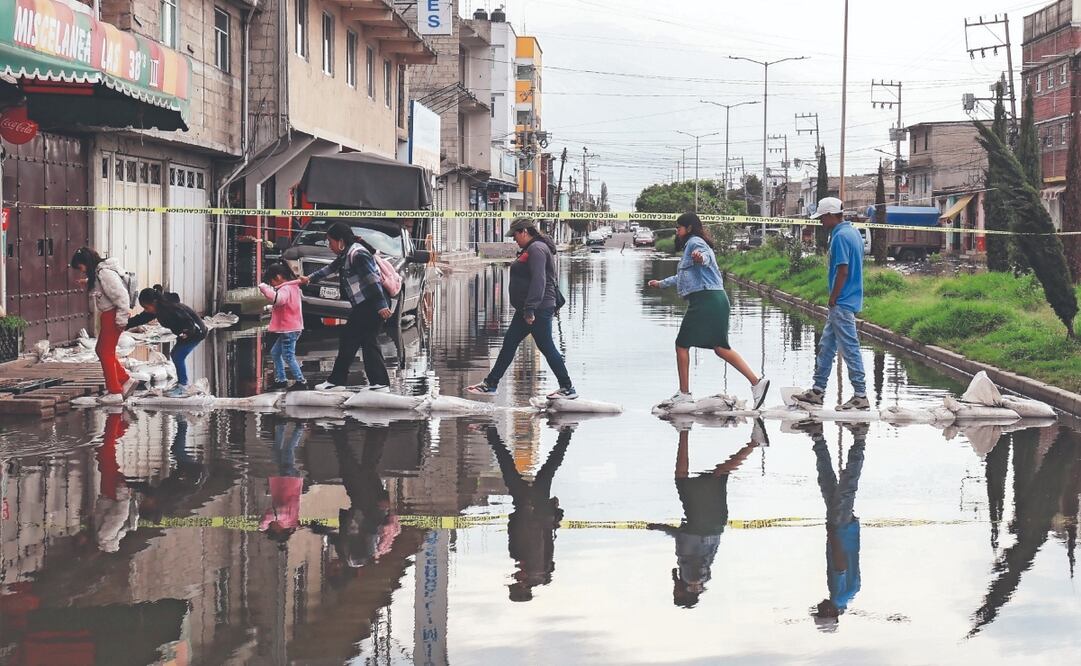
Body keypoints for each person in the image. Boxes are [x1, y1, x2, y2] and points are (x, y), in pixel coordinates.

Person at [648, 213, 770, 410]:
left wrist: (700, 257)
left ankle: (684, 394)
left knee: (682, 344)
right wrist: (661, 284)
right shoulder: (694, 244)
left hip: (705, 300)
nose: (676, 232)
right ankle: (757, 383)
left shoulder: (695, 243)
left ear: (688, 228)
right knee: (720, 347)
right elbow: (684, 276)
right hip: (713, 300)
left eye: (678, 228)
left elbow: (704, 257)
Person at [649, 421, 765, 607]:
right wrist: (658, 527)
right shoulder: (690, 576)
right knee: (682, 479)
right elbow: (683, 537)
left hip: (716, 524)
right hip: (700, 523)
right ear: (682, 594)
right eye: (675, 594)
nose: (674, 590)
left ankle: (754, 444)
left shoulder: (702, 577)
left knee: (719, 475)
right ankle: (684, 434)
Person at [467, 218, 577, 400]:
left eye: (516, 235)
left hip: (537, 308)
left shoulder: (537, 249)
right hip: (528, 308)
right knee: (509, 344)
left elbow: (539, 280)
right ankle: (491, 384)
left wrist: (530, 310)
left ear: (524, 231)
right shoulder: (531, 248)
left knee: (547, 347)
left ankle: (567, 388)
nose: (514, 239)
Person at [483, 422, 573, 602]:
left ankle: (566, 434)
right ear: (522, 584)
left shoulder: (538, 569)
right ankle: (491, 433)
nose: (514, 576)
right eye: (515, 581)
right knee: (510, 468)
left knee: (548, 468)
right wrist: (528, 510)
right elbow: (534, 536)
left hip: (535, 509)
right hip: (531, 507)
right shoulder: (534, 564)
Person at [795, 197, 869, 410]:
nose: (820, 222)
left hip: (842, 302)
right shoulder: (853, 232)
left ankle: (860, 395)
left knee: (850, 347)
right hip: (850, 298)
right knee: (826, 346)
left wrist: (833, 297)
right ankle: (817, 391)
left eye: (822, 218)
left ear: (829, 215)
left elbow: (843, 271)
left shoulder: (839, 237)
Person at [298, 222, 391, 391]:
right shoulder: (347, 253)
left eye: (330, 241)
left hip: (372, 302)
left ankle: (339, 381)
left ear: (340, 241)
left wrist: (381, 306)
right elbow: (331, 268)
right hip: (367, 303)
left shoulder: (357, 254)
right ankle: (379, 383)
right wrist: (310, 279)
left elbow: (373, 281)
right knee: (365, 340)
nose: (329, 245)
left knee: (352, 338)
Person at [794, 420, 865, 628]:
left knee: (828, 485)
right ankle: (859, 440)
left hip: (848, 531)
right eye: (820, 611)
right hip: (840, 530)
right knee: (846, 487)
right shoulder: (837, 595)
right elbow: (840, 564)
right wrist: (832, 533)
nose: (818, 607)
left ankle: (818, 439)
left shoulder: (849, 596)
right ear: (831, 612)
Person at [70, 247, 137, 403]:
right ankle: (125, 380)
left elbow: (121, 296)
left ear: (86, 262)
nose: (82, 271)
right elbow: (105, 286)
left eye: (81, 267)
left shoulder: (104, 273)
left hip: (113, 315)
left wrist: (121, 320)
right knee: (102, 350)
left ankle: (115, 391)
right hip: (109, 315)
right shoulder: (101, 272)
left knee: (105, 352)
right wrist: (86, 281)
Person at [126, 285, 208, 397]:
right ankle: (181, 383)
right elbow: (141, 318)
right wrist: (125, 324)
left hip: (195, 332)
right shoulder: (158, 308)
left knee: (178, 356)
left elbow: (188, 320)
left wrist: (187, 332)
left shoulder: (170, 308)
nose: (146, 310)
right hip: (185, 333)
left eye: (146, 307)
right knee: (175, 354)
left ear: (153, 303)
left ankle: (183, 386)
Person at [258, 264, 309, 391]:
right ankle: (281, 379)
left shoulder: (285, 289)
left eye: (271, 281)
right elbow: (286, 304)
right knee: (276, 353)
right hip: (292, 327)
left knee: (288, 356)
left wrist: (264, 289)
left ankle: (301, 381)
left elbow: (279, 300)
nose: (272, 284)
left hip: (289, 329)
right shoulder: (293, 287)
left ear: (279, 277)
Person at [260, 421, 306, 545]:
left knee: (277, 454)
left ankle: (281, 425)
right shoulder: (286, 520)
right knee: (287, 452)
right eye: (272, 527)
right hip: (289, 481)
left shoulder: (290, 522)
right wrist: (262, 526)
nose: (271, 525)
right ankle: (300, 427)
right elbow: (271, 515)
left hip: (285, 482)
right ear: (278, 530)